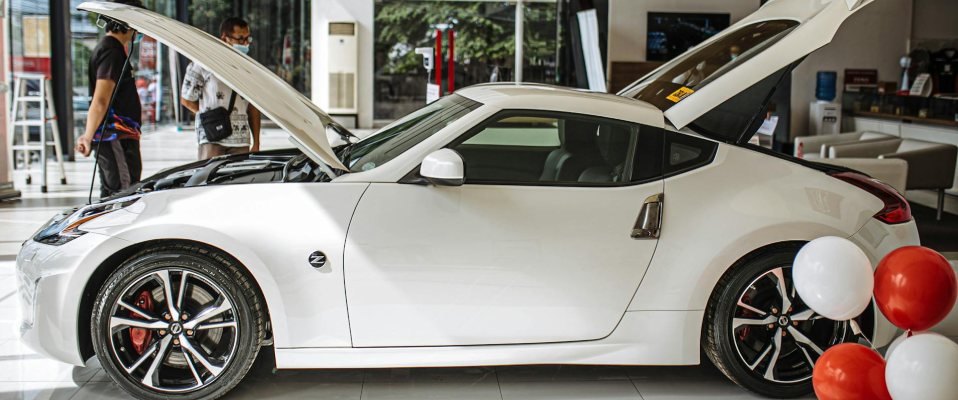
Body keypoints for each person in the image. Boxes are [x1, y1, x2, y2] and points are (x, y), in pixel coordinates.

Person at [75, 0, 146, 199]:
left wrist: (88, 134)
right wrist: (88, 137)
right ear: (126, 22)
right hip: (115, 136)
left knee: (112, 193)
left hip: (117, 137)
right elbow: (101, 100)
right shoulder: (111, 52)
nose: (139, 30)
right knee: (123, 195)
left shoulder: (113, 50)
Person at [181, 17, 261, 159]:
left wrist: (256, 143)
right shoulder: (203, 64)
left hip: (240, 142)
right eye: (241, 39)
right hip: (212, 139)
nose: (246, 43)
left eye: (248, 39)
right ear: (224, 39)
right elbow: (187, 99)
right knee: (210, 180)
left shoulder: (249, 68)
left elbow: (253, 107)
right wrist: (212, 117)